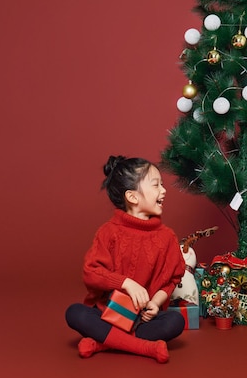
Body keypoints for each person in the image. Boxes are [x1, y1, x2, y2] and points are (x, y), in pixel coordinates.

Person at [65, 155, 186, 363]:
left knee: (175, 321)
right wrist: (126, 283)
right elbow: (91, 273)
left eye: (162, 185)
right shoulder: (109, 232)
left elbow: (171, 280)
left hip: (142, 320)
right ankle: (144, 348)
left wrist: (156, 303)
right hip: (108, 315)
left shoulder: (167, 237)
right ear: (133, 197)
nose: (164, 191)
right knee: (74, 313)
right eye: (156, 185)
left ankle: (102, 342)